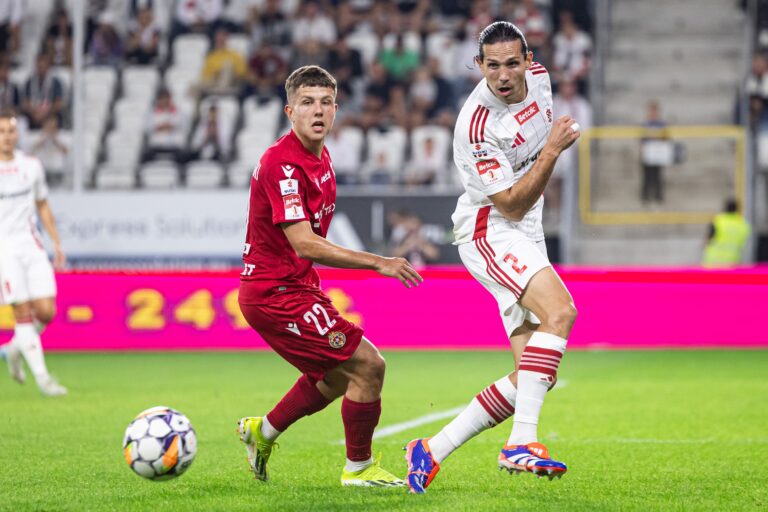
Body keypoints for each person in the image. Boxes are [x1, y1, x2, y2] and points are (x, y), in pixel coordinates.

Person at [405, 21, 579, 493]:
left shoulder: (539, 78)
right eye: (492, 66)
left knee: (534, 374)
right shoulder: (477, 125)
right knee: (560, 312)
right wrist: (552, 151)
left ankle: (430, 450)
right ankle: (521, 442)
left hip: (528, 229)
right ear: (477, 66)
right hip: (491, 229)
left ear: (528, 61)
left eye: (512, 63)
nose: (503, 76)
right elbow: (509, 205)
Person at [236, 65, 422, 487]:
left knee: (338, 376)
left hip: (297, 286)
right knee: (370, 366)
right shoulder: (281, 165)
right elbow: (305, 243)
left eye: (325, 103)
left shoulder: (321, 158)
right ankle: (358, 468)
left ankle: (261, 432)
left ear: (336, 110)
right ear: (289, 111)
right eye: (306, 103)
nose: (317, 111)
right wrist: (379, 262)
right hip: (274, 293)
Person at [0, 112, 67, 396]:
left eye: (11, 130)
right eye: (1, 131)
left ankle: (14, 347)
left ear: (18, 134)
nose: (7, 136)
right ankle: (43, 378)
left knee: (46, 312)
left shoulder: (31, 166)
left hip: (32, 245)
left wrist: (57, 243)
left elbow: (42, 204)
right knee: (22, 312)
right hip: (4, 249)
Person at [702, 198, 751, 267]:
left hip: (713, 261)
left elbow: (707, 240)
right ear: (737, 209)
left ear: (725, 208)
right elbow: (746, 243)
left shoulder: (717, 221)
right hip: (732, 261)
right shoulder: (743, 224)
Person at [639, 100, 670, 205]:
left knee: (658, 175)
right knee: (647, 176)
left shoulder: (662, 124)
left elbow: (667, 137)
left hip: (658, 152)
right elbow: (641, 139)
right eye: (651, 111)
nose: (653, 113)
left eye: (655, 111)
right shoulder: (645, 124)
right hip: (648, 152)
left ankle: (658, 196)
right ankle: (645, 196)